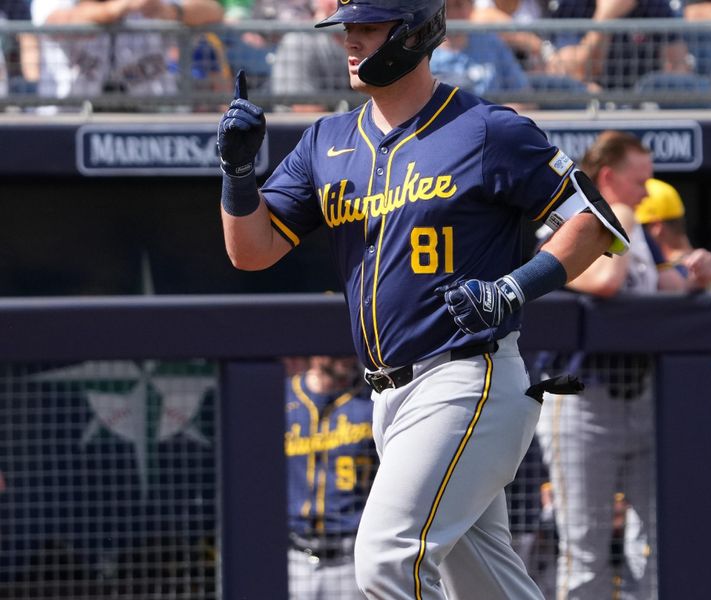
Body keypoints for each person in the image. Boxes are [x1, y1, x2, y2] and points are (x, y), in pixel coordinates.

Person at [215, 0, 631, 596]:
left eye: (367, 27)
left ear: (413, 33)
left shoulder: (487, 127)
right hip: (388, 395)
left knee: (386, 559)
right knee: (485, 583)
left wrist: (518, 286)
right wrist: (236, 172)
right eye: (347, 28)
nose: (351, 41)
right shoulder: (326, 140)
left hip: (467, 378)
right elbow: (250, 251)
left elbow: (594, 223)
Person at [534, 131, 711, 600]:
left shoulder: (637, 226)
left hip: (641, 394)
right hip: (581, 402)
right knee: (584, 549)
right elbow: (607, 281)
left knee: (654, 543)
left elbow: (660, 285)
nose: (647, 192)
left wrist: (695, 271)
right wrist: (622, 221)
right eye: (639, 182)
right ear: (610, 178)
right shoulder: (564, 221)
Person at [635, 177, 711, 599]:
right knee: (698, 524)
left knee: (658, 526)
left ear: (658, 227)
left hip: (691, 414)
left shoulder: (682, 274)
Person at [285, 355, 375, 600]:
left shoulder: (371, 401)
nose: (347, 358)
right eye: (337, 352)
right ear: (315, 354)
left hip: (351, 554)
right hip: (294, 554)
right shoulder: (284, 398)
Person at [31, 0, 223, 103]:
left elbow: (213, 11)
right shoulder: (61, 4)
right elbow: (57, 21)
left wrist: (171, 11)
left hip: (146, 119)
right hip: (68, 117)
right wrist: (113, 9)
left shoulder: (145, 5)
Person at [543, 0, 693, 91]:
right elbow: (575, 71)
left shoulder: (654, 5)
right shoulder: (573, 5)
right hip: (592, 105)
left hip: (642, 104)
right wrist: (605, 17)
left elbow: (678, 67)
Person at [429, 0, 531, 97]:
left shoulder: (491, 43)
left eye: (458, 5)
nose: (451, 13)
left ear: (471, 7)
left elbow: (523, 93)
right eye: (445, 7)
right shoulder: (427, 51)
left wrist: (497, 113)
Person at [269, 0, 350, 112]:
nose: (339, 2)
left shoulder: (357, 42)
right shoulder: (299, 42)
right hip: (300, 127)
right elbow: (304, 108)